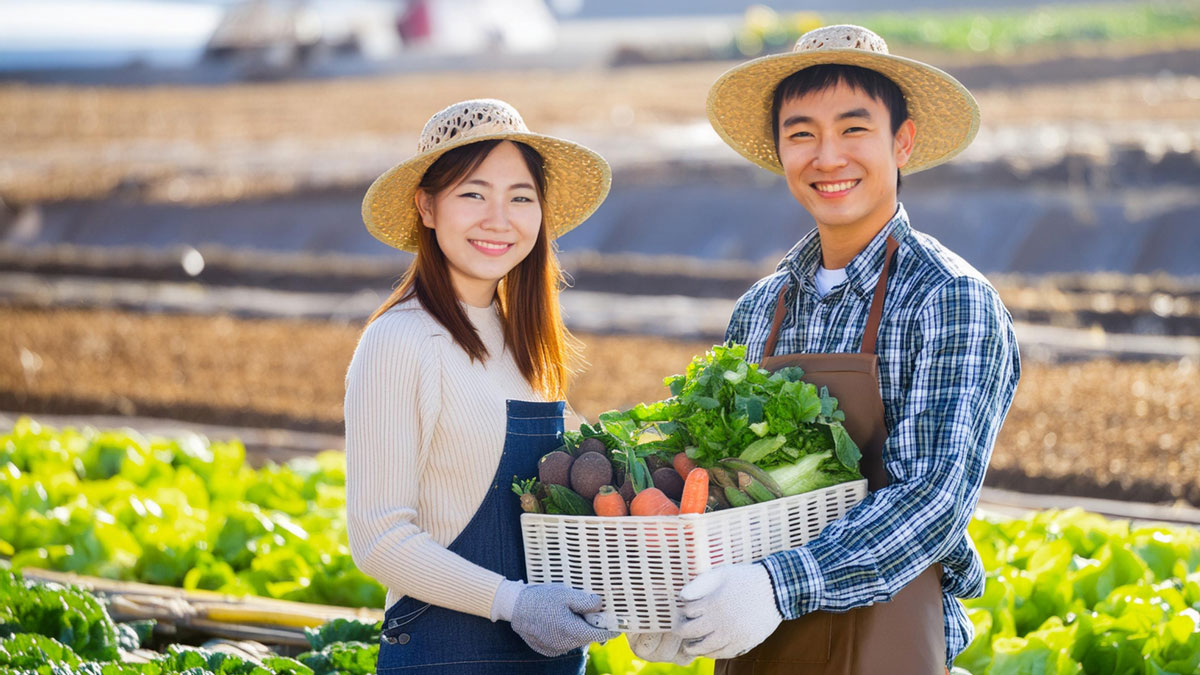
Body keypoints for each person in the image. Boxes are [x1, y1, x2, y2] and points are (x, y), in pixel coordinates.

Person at [632, 25, 1021, 674]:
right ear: (780, 151)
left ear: (903, 141)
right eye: (802, 133)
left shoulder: (948, 299)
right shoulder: (761, 308)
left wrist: (779, 586)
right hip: (756, 650)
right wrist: (674, 600)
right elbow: (721, 491)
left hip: (888, 644)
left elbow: (931, 499)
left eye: (854, 128)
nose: (828, 156)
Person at [345, 98, 619, 674]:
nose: (500, 219)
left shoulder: (529, 346)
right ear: (427, 206)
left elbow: (594, 486)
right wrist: (513, 602)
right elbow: (378, 538)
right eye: (473, 193)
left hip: (548, 656)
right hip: (446, 655)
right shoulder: (400, 341)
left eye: (521, 198)